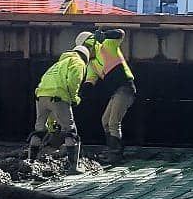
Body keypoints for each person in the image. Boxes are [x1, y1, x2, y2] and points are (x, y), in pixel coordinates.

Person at [31, 35, 92, 173]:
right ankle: (74, 167)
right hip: (59, 96)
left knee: (39, 129)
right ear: (86, 57)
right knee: (70, 131)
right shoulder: (78, 62)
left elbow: (44, 79)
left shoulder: (58, 64)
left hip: (41, 96)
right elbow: (73, 80)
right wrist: (74, 98)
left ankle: (31, 161)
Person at [86, 26, 137, 162]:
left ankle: (116, 154)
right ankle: (113, 150)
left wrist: (105, 35)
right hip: (116, 92)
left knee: (113, 122)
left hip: (125, 88)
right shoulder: (92, 64)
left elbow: (121, 33)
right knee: (105, 121)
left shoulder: (107, 45)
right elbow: (90, 81)